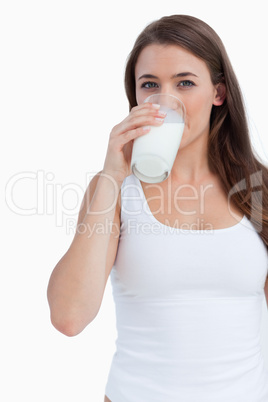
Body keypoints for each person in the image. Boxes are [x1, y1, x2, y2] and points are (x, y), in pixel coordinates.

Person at [47, 15, 268, 402]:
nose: (166, 100)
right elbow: (69, 317)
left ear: (219, 93)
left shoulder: (259, 188)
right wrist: (113, 174)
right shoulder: (113, 190)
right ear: (135, 97)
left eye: (185, 82)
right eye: (150, 85)